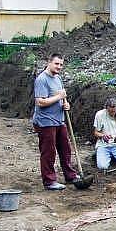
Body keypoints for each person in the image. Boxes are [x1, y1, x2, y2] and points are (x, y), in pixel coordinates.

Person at [32, 53, 79, 190]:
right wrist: (59, 96)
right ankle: (49, 181)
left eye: (61, 64)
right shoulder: (42, 79)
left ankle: (70, 175)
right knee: (49, 152)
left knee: (65, 149)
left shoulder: (58, 78)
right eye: (56, 64)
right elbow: (40, 102)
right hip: (46, 122)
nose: (59, 67)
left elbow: (62, 98)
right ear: (49, 62)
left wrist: (66, 104)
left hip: (59, 120)